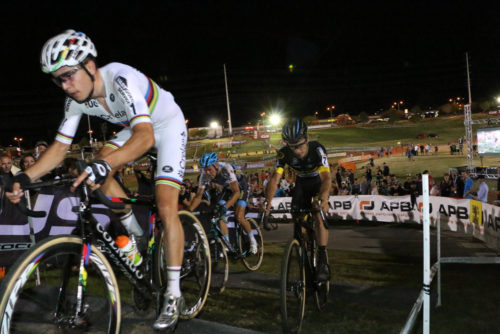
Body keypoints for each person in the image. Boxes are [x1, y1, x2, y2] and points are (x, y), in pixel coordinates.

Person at [6, 29, 186, 331]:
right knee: (96, 163)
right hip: (134, 127)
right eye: (58, 79)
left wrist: (106, 164)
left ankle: (173, 292)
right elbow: (59, 149)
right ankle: (133, 230)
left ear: (90, 66)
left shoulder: (120, 78)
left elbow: (146, 136)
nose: (66, 85)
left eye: (69, 75)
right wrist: (24, 177)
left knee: (166, 206)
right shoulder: (76, 101)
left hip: (165, 126)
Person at [264, 119, 331, 281]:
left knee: (317, 213)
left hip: (318, 183)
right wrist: (267, 205)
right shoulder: (284, 153)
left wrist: (324, 197)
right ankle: (308, 243)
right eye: (292, 147)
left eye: (300, 146)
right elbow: (274, 180)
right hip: (301, 184)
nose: (297, 151)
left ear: (306, 139)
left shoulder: (317, 149)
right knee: (299, 221)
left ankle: (322, 259)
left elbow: (327, 178)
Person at [190, 152, 258, 254]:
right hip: (227, 188)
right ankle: (227, 244)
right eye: (205, 170)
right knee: (219, 215)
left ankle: (253, 241)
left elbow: (236, 192)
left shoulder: (226, 169)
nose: (207, 172)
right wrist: (189, 212)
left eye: (209, 169)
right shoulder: (204, 176)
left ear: (216, 166)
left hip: (241, 187)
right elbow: (198, 196)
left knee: (239, 216)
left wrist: (226, 207)